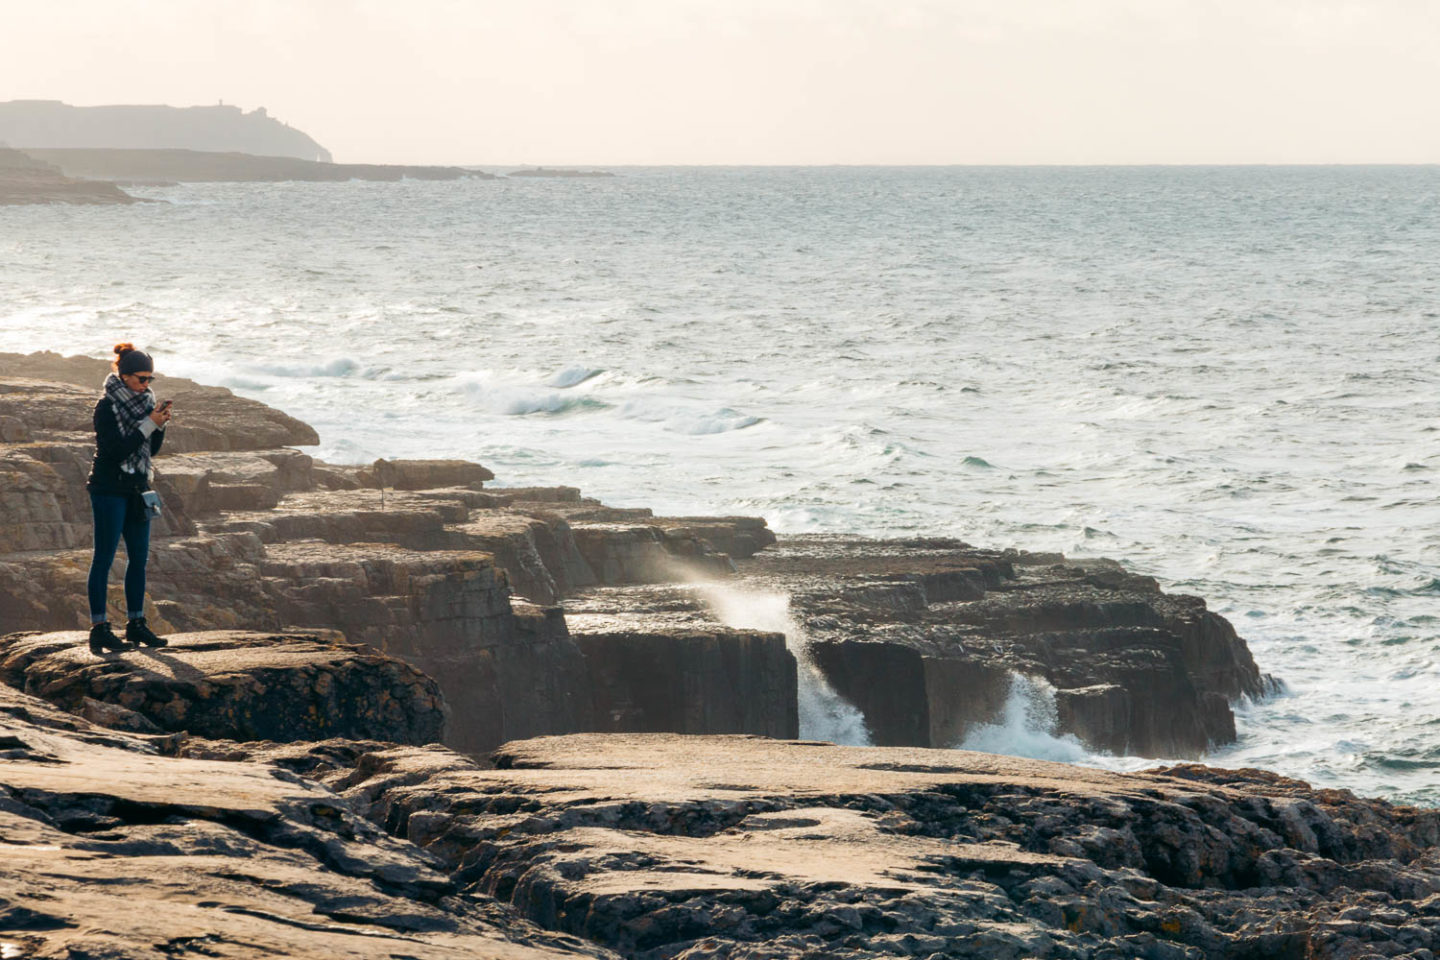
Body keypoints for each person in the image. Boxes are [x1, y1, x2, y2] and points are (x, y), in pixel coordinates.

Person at [85, 342, 173, 653]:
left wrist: (158, 424)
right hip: (108, 488)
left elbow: (151, 450)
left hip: (138, 488)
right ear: (124, 377)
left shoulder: (146, 403)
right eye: (141, 378)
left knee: (139, 559)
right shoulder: (106, 405)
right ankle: (99, 628)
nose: (147, 384)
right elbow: (115, 450)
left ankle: (136, 624)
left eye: (150, 379)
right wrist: (150, 424)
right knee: (104, 559)